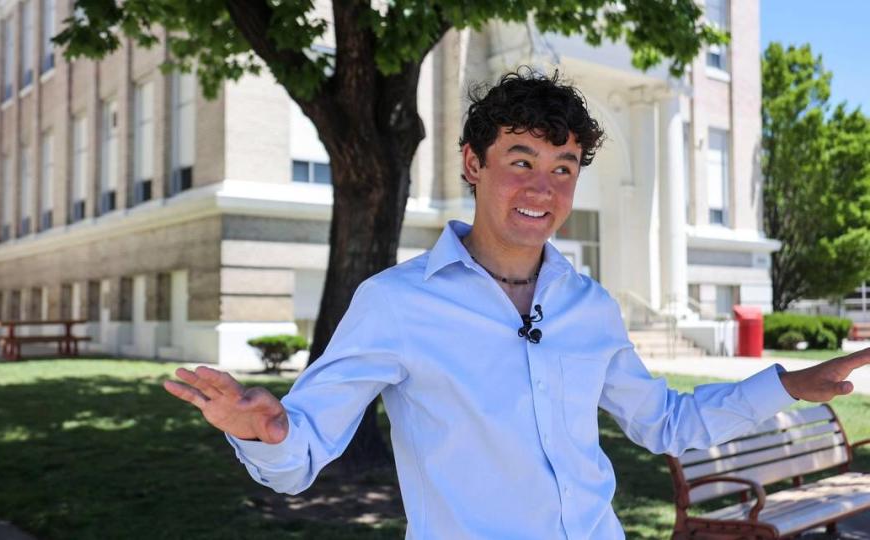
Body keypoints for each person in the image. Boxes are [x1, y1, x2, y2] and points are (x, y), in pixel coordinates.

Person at [164, 69, 869, 539]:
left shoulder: (589, 306)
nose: (544, 189)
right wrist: (263, 430)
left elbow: (665, 423)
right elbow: (304, 453)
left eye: (563, 168)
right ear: (474, 163)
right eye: (522, 160)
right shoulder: (395, 305)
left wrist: (789, 385)